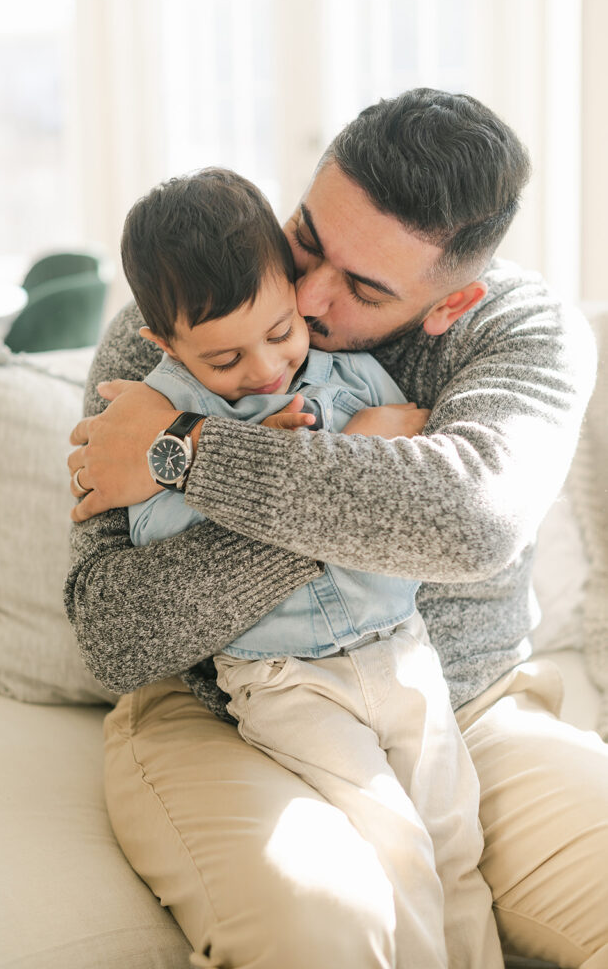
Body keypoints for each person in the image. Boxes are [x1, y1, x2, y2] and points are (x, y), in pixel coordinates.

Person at [65, 89, 607, 968]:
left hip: (466, 706)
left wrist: (183, 455)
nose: (306, 300)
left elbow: (471, 522)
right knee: (329, 926)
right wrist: (368, 468)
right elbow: (115, 631)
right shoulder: (181, 328)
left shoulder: (518, 331)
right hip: (227, 714)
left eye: (360, 286)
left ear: (447, 303)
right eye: (306, 238)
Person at [120, 165, 503, 968]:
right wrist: (256, 457)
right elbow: (156, 543)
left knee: (451, 836)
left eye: (280, 332)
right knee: (393, 843)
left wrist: (298, 464)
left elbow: (417, 464)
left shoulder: (344, 372)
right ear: (166, 345)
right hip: (282, 677)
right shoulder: (149, 409)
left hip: (396, 646)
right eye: (222, 360)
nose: (263, 369)